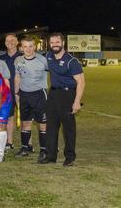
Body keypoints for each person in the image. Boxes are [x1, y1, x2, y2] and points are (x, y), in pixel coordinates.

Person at [40, 33, 85, 167]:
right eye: (52, 42)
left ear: (63, 43)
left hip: (67, 95)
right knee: (51, 127)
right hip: (53, 94)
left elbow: (81, 82)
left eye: (57, 42)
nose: (55, 44)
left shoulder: (72, 61)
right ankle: (50, 155)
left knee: (68, 128)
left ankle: (70, 157)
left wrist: (77, 101)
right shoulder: (48, 56)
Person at [14, 37, 49, 161]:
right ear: (21, 48)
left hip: (39, 94)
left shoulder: (43, 60)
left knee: (42, 124)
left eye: (30, 46)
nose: (28, 49)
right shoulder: (18, 60)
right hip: (24, 94)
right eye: (25, 46)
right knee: (25, 122)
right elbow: (17, 77)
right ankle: (25, 148)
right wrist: (16, 92)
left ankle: (44, 150)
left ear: (34, 47)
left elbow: (53, 73)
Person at [0, 33, 22, 149]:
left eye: (13, 40)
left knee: (25, 117)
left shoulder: (23, 56)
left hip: (22, 90)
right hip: (7, 91)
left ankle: (28, 143)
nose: (10, 42)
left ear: (17, 42)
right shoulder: (1, 59)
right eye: (7, 40)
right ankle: (9, 142)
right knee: (10, 116)